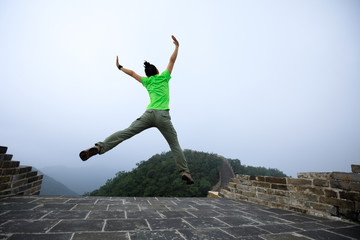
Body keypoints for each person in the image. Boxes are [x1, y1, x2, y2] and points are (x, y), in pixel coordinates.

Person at [80, 35, 194, 184]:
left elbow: (133, 73)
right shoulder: (164, 77)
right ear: (158, 71)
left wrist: (120, 67)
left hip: (149, 113)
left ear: (147, 74)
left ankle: (100, 147)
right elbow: (172, 61)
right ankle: (184, 171)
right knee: (174, 144)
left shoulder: (146, 81)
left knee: (127, 132)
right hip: (163, 116)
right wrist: (177, 46)